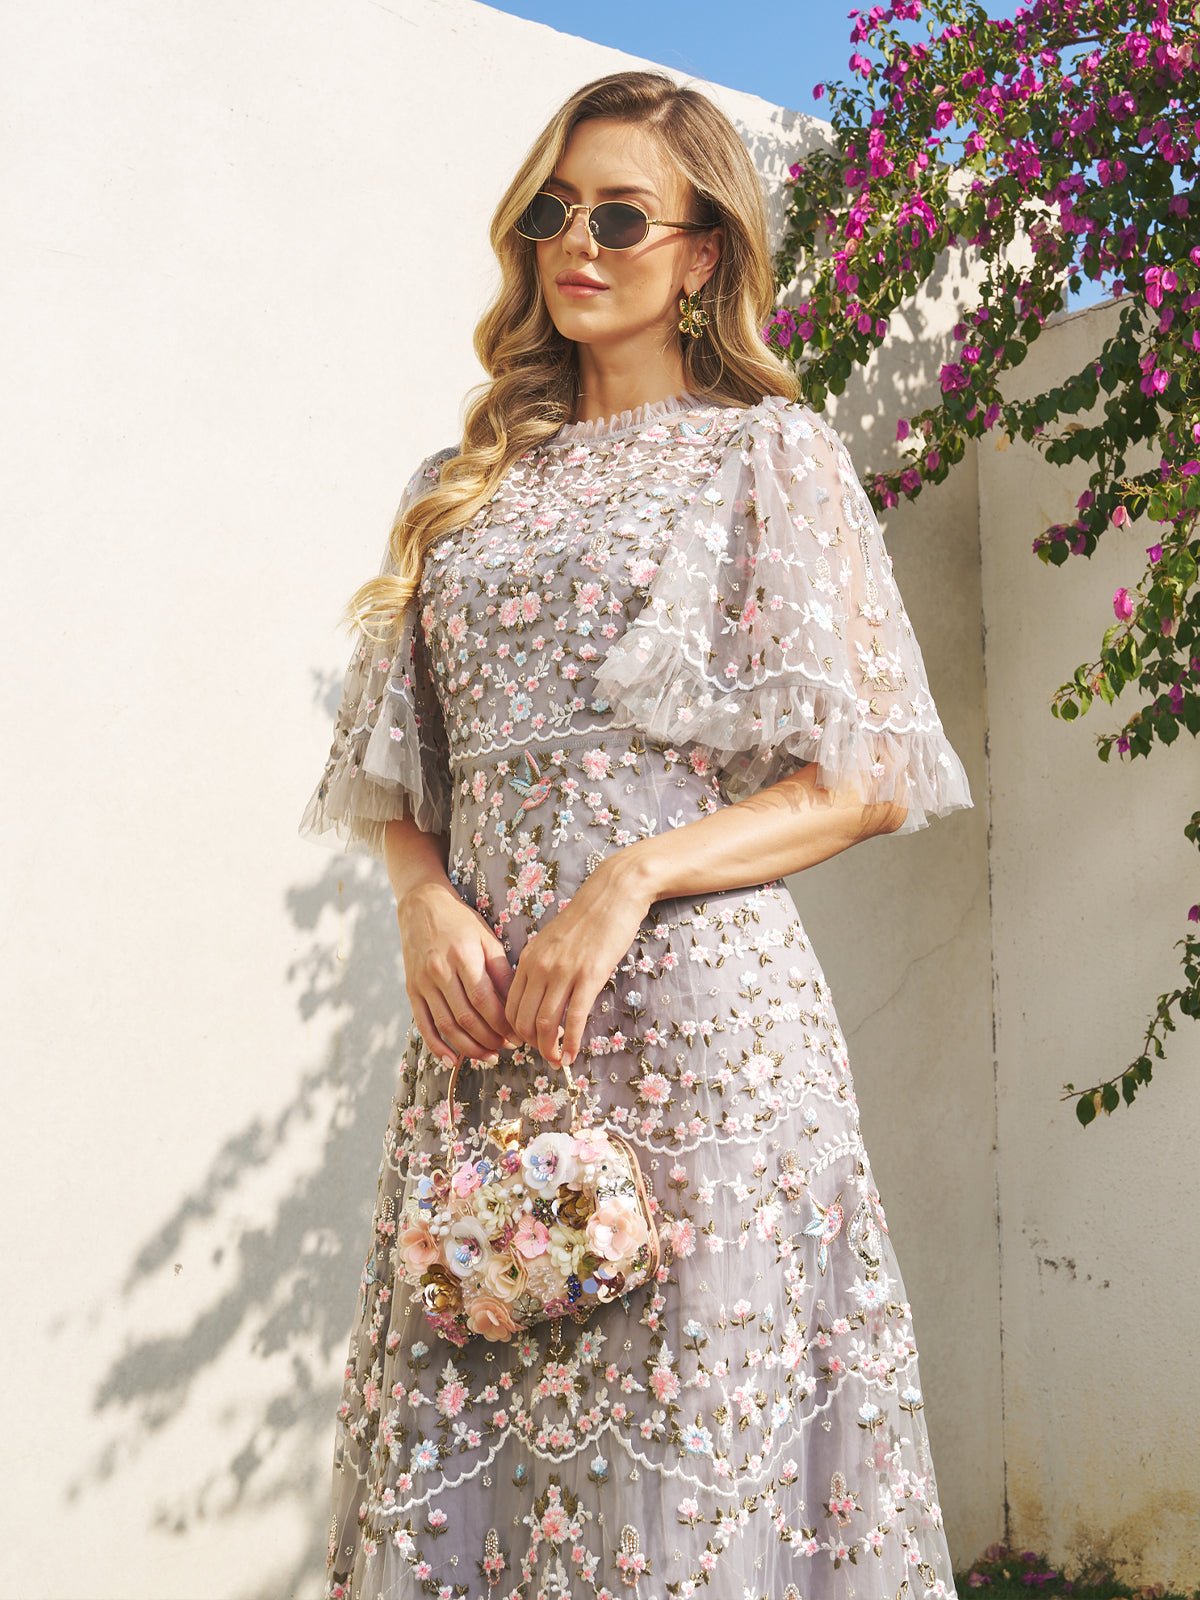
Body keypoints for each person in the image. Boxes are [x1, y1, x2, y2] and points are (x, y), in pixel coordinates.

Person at [299, 67, 973, 1600]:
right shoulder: (457, 493)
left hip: (705, 1041)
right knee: (475, 1454)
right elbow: (403, 782)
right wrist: (419, 902)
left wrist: (636, 874)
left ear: (705, 253)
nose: (576, 245)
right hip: (490, 1043)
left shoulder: (768, 456)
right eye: (553, 213)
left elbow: (866, 776)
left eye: (620, 215)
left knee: (698, 1465)